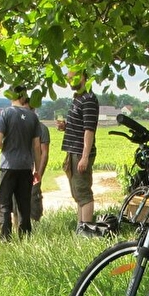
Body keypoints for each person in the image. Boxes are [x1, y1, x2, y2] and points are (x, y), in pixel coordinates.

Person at [0, 86, 41, 240]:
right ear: (23, 97)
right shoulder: (33, 117)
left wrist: (8, 146)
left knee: (3, 202)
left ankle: (5, 237)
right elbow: (36, 146)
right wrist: (37, 169)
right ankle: (25, 236)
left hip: (8, 165)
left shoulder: (5, 113)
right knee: (23, 204)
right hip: (26, 166)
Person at [58, 69, 99, 230]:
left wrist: (85, 156)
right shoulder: (78, 98)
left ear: (82, 76)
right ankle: (80, 228)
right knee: (78, 194)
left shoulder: (88, 99)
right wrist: (66, 127)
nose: (69, 81)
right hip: (73, 151)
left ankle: (86, 230)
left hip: (80, 153)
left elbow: (89, 130)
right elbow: (81, 126)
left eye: (71, 78)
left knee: (84, 193)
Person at [28, 116, 50, 225]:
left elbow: (44, 153)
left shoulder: (42, 128)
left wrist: (39, 173)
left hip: (34, 169)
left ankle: (35, 224)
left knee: (34, 196)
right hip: (21, 167)